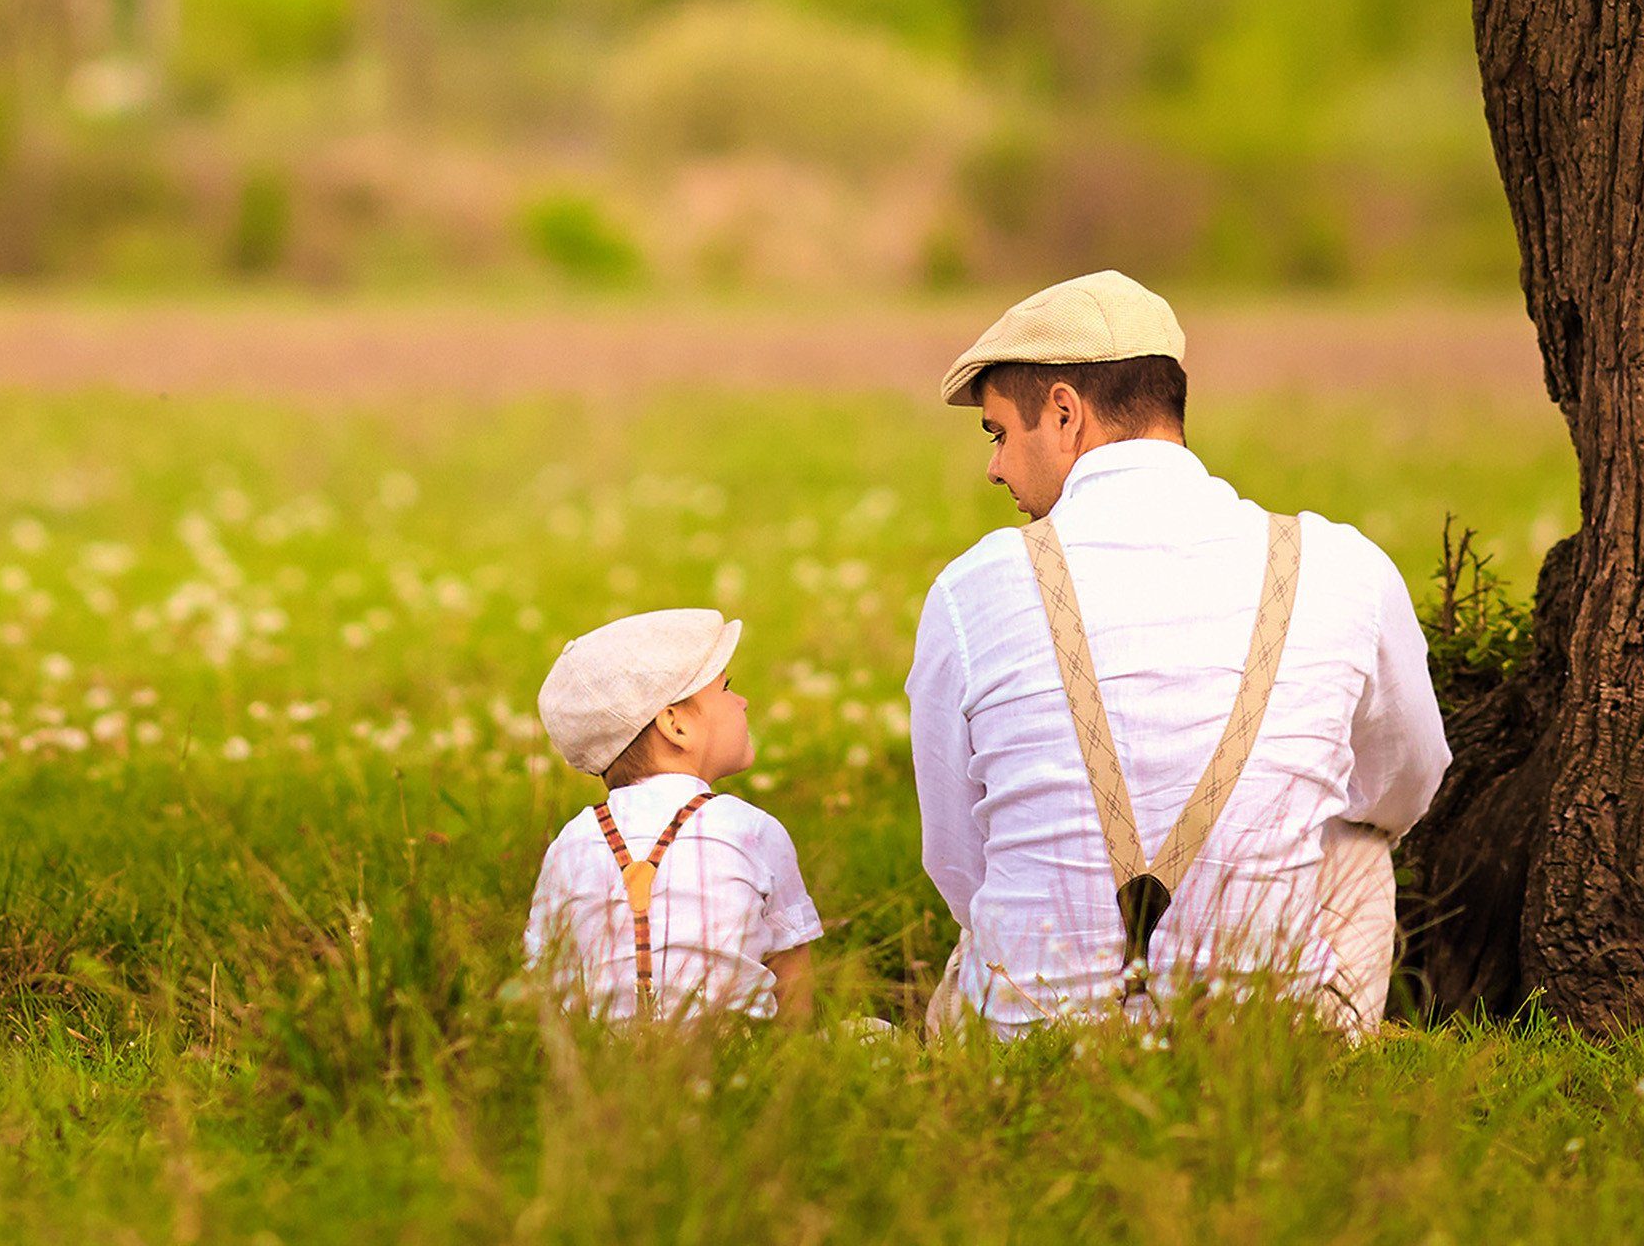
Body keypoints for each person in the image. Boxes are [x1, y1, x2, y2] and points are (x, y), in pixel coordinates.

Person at [907, 270, 1450, 1035]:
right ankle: (1328, 1059)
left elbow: (957, 862)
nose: (994, 467)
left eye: (999, 432)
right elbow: (1408, 786)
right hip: (1260, 1045)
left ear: (1065, 413)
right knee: (1357, 840)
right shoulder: (1342, 566)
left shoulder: (972, 589)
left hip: (1034, 1044)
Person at [527, 606, 821, 1025]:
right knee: (872, 1033)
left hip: (605, 1065)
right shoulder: (751, 830)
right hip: (735, 1058)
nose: (742, 701)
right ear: (675, 726)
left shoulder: (571, 842)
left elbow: (549, 977)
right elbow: (793, 977)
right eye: (725, 688)